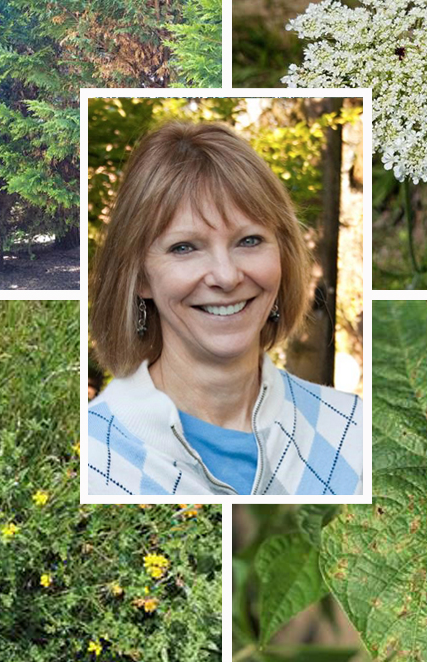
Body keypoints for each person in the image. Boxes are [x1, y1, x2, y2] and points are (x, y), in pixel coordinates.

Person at [88, 121, 362, 495]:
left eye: (249, 240)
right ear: (141, 278)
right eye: (185, 247)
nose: (226, 276)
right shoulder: (93, 457)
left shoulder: (354, 430)